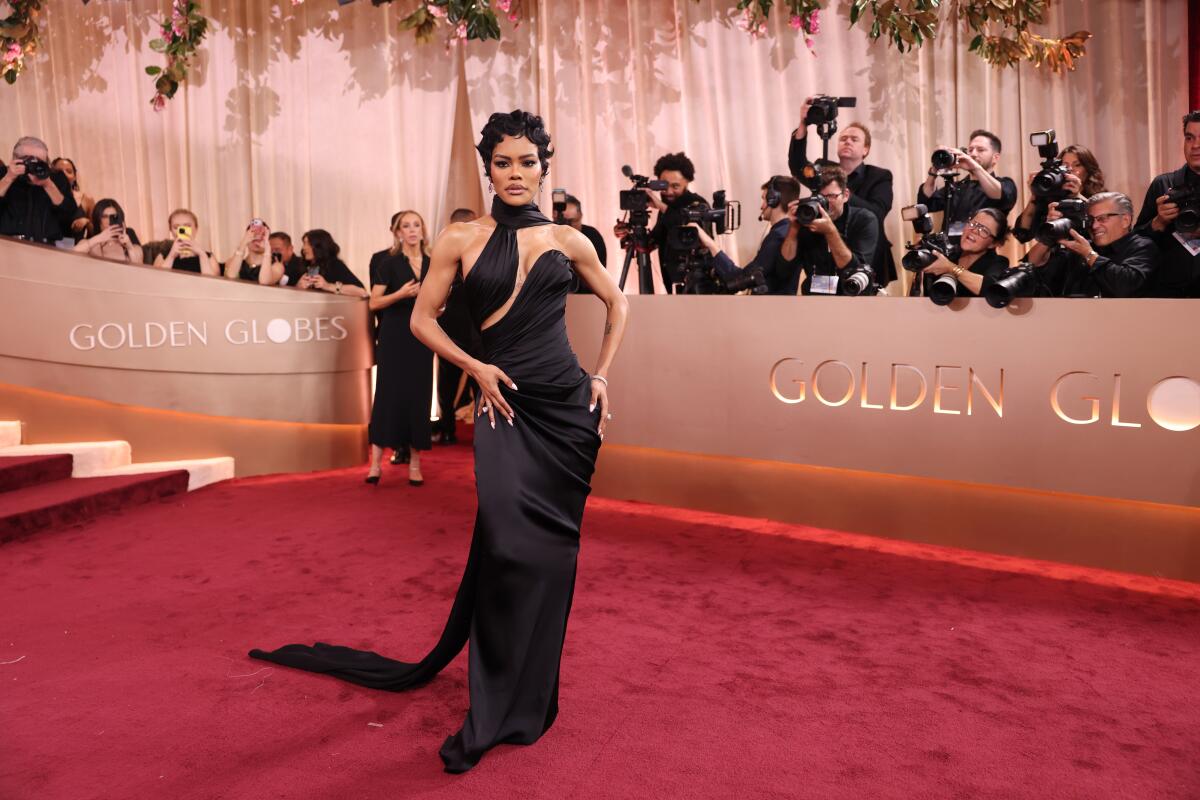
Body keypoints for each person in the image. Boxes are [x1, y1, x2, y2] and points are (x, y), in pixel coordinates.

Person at [251, 109, 629, 774]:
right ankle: (493, 700)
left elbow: (618, 303)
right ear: (489, 167)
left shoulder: (571, 240)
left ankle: (527, 699)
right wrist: (476, 367)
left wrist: (600, 374)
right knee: (508, 544)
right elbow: (423, 321)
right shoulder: (459, 236)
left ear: (545, 168)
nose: (516, 174)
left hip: (565, 410)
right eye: (504, 162)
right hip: (501, 405)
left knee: (551, 557)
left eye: (528, 163)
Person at [789, 106, 896, 286]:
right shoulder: (824, 170)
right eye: (843, 139)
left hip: (867, 252)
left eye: (854, 139)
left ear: (865, 149)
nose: (847, 142)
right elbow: (797, 165)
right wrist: (803, 124)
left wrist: (839, 191)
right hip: (825, 258)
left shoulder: (879, 175)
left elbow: (877, 213)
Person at [365, 210, 434, 486]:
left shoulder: (432, 262)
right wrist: (401, 294)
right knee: (387, 396)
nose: (412, 230)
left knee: (419, 397)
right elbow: (374, 302)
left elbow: (439, 301)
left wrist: (439, 307)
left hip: (422, 336)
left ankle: (415, 465)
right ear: (397, 232)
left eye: (416, 225)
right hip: (394, 335)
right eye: (406, 226)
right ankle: (375, 464)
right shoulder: (389, 262)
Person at [1025, 192, 1158, 298]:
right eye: (1090, 220)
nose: (1094, 226)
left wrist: (1089, 255)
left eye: (1102, 219)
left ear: (1125, 220)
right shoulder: (1081, 247)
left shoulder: (1143, 246)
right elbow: (1032, 265)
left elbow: (1125, 286)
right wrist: (1050, 232)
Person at [613, 151, 708, 293]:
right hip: (672, 284)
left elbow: (682, 223)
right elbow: (655, 239)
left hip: (698, 286)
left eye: (675, 186)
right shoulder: (666, 210)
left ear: (687, 182)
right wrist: (628, 232)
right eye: (664, 186)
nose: (668, 192)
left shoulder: (697, 204)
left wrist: (660, 206)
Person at [689, 175, 800, 294]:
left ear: (774, 200)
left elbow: (737, 278)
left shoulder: (778, 236)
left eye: (763, 199)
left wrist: (710, 244)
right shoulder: (786, 232)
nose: (761, 206)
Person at [779, 166, 878, 295]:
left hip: (851, 300)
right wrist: (793, 228)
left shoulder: (864, 220)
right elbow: (784, 270)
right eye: (820, 197)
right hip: (814, 300)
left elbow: (854, 271)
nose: (826, 203)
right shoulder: (808, 221)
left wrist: (830, 231)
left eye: (831, 196)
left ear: (846, 195)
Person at [1135, 110, 1200, 297]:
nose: (1195, 145)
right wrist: (1158, 223)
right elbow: (1136, 242)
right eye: (1189, 138)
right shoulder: (1164, 184)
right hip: (1169, 296)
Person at [432, 208, 481, 446]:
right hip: (449, 332)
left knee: (480, 386)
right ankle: (447, 429)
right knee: (446, 388)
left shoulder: (485, 255)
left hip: (480, 334)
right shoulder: (443, 255)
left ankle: (483, 433)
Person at [917, 130, 1018, 236]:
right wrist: (935, 170)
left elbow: (1001, 195)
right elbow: (926, 203)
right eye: (970, 150)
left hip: (981, 249)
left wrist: (974, 167)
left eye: (980, 150)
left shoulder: (1005, 184)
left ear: (995, 158)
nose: (973, 154)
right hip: (948, 249)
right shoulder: (955, 187)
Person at [1012, 144, 1105, 244]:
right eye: (1065, 165)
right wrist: (1035, 194)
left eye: (1077, 165)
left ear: (1088, 170)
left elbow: (1101, 224)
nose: (1070, 169)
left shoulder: (1100, 198)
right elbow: (1023, 234)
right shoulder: (1052, 199)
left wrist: (1077, 196)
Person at [0, 136, 79, 244]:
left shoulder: (56, 178)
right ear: (15, 159)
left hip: (47, 247)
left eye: (40, 161)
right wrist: (9, 178)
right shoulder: (3, 174)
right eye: (29, 159)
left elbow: (69, 212)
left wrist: (48, 185)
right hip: (9, 245)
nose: (35, 164)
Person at [917, 208, 1011, 298]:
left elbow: (990, 288)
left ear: (993, 243)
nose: (974, 230)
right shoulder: (948, 252)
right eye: (973, 224)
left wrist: (950, 267)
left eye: (984, 230)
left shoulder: (998, 263)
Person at [295, 229, 369, 298]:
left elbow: (362, 292)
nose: (304, 248)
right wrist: (298, 286)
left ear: (320, 247)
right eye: (304, 244)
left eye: (308, 244)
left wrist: (328, 286)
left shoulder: (334, 265)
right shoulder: (307, 266)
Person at [72, 198, 143, 264]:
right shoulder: (92, 241)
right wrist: (99, 238)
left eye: (113, 217)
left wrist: (129, 246)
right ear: (98, 220)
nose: (109, 221)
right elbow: (71, 255)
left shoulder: (128, 235)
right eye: (105, 217)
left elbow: (139, 266)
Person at [153, 208, 218, 275]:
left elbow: (213, 283)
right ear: (171, 231)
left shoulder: (209, 257)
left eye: (187, 226)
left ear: (196, 228)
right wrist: (171, 256)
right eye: (176, 227)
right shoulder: (162, 256)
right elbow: (158, 279)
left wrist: (202, 254)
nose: (182, 230)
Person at [225, 218, 283, 285]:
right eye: (254, 234)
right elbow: (230, 276)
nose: (258, 238)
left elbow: (265, 282)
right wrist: (243, 244)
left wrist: (267, 248)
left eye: (263, 235)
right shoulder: (232, 262)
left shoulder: (277, 266)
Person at [51, 157, 95, 241]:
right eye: (59, 172)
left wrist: (86, 221)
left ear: (74, 176)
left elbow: (96, 233)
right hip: (48, 250)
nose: (64, 175)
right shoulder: (43, 198)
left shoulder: (86, 199)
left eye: (69, 171)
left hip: (77, 251)